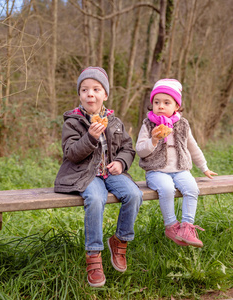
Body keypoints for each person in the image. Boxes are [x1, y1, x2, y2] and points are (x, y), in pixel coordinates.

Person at [54, 66, 143, 288]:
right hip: (84, 174)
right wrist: (90, 137)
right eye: (84, 89)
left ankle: (120, 240)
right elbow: (71, 153)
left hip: (110, 172)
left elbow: (128, 148)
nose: (90, 94)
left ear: (105, 95)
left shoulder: (114, 121)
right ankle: (93, 254)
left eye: (96, 89)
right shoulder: (72, 122)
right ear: (80, 95)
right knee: (95, 199)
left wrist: (121, 163)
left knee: (133, 194)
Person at [136, 78, 217, 248]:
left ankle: (187, 227)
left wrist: (204, 167)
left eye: (167, 102)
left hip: (180, 169)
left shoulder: (182, 125)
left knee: (192, 188)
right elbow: (140, 150)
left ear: (176, 106)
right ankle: (171, 226)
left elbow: (193, 147)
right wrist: (154, 139)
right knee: (166, 189)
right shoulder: (148, 124)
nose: (161, 106)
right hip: (156, 171)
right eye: (156, 102)